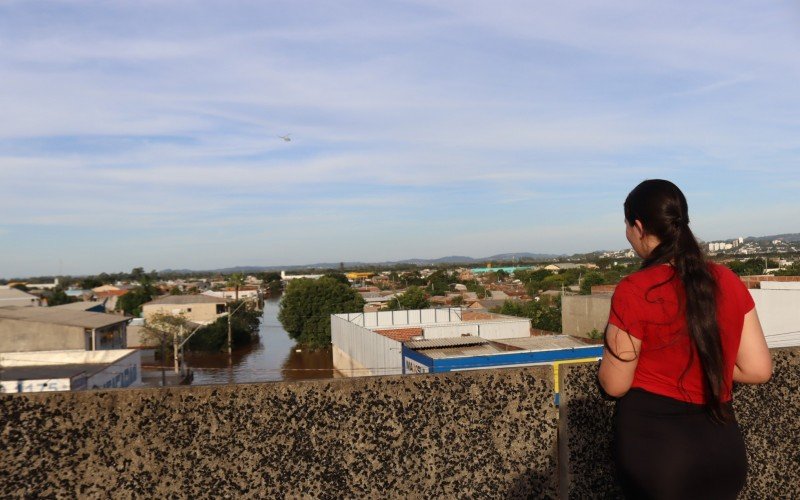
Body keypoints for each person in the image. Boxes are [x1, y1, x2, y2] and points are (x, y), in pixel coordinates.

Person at [597, 179, 772, 500]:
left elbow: (614, 384)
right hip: (721, 450)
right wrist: (704, 358)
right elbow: (758, 369)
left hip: (658, 455)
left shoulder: (636, 289)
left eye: (626, 225)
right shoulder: (727, 280)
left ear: (638, 226)